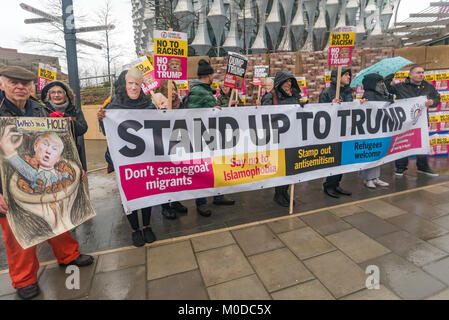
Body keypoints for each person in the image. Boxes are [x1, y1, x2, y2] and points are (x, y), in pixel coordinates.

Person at [0, 66, 93, 300]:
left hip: (45, 180)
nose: (20, 87)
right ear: (2, 84)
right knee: (19, 234)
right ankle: (24, 280)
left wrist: (74, 168)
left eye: (25, 83)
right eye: (14, 82)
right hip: (7, 187)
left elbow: (60, 141)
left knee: (58, 219)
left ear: (32, 87)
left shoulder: (41, 109)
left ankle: (69, 256)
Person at [98, 68, 157, 247]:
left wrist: (164, 113)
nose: (133, 87)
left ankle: (147, 225)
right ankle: (135, 229)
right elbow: (105, 132)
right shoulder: (113, 105)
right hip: (123, 159)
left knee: (146, 192)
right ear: (124, 85)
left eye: (137, 84)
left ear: (141, 86)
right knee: (129, 194)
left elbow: (160, 128)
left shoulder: (149, 105)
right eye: (130, 83)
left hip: (145, 157)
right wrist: (101, 119)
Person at [184, 59, 235, 217]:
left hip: (208, 136)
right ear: (209, 75)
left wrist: (224, 103)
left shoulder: (205, 90)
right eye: (212, 74)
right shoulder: (198, 91)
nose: (214, 76)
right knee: (202, 170)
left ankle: (217, 195)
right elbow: (194, 113)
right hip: (200, 137)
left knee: (213, 168)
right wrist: (211, 110)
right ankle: (201, 203)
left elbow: (212, 109)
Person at [385, 65, 440, 177]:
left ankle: (423, 167)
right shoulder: (400, 86)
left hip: (422, 121)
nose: (421, 75)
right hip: (405, 121)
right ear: (410, 75)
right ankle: (400, 167)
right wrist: (391, 75)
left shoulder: (428, 86)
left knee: (421, 143)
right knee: (403, 142)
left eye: (422, 72)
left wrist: (432, 102)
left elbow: (437, 98)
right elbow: (385, 89)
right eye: (418, 72)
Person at [261, 70, 302, 207]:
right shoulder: (270, 96)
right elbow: (264, 115)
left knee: (290, 166)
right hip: (277, 138)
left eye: (290, 81)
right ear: (279, 83)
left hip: (292, 137)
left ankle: (284, 192)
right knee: (280, 167)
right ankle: (278, 194)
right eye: (285, 81)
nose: (288, 84)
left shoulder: (295, 95)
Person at [318, 67, 353, 199]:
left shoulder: (349, 92)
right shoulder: (327, 93)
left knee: (343, 159)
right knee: (334, 159)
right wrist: (330, 105)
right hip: (332, 132)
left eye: (349, 75)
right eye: (345, 75)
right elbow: (320, 112)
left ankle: (337, 183)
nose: (349, 77)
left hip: (345, 130)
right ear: (337, 77)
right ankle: (329, 185)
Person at [41, 81, 88, 170]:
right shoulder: (42, 110)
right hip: (49, 155)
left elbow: (82, 129)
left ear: (66, 95)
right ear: (48, 95)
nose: (56, 95)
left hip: (72, 154)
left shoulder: (74, 110)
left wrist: (66, 119)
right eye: (53, 92)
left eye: (60, 92)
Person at [359, 73, 392, 189]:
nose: (382, 84)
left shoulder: (380, 93)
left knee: (378, 153)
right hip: (371, 128)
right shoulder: (369, 94)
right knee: (370, 153)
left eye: (382, 82)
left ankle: (375, 177)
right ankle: (368, 178)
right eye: (379, 82)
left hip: (378, 128)